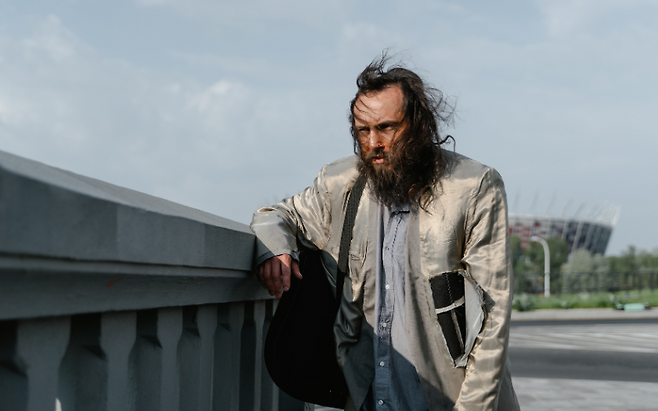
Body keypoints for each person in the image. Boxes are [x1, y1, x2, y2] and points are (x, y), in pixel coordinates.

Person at [250, 56, 519, 411]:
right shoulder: (340, 183)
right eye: (363, 131)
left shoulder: (474, 186)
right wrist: (276, 249)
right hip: (368, 393)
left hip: (450, 398)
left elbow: (493, 315)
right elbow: (276, 215)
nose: (374, 142)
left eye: (387, 128)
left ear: (420, 125)